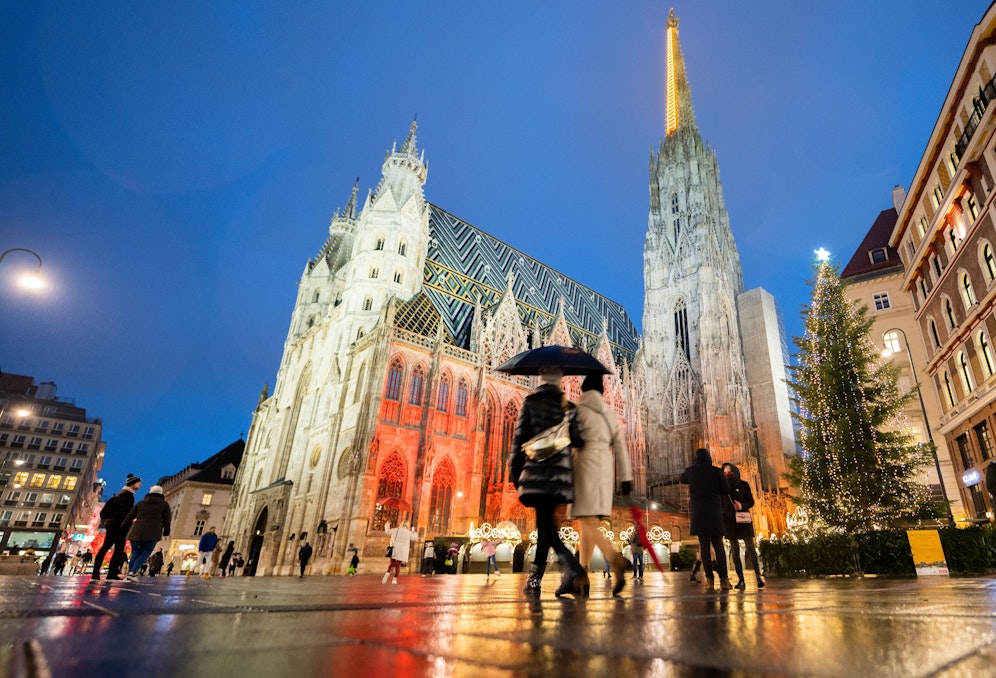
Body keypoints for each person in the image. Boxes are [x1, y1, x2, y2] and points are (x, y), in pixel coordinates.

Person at [509, 365, 584, 598]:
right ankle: (535, 580)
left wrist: (514, 472)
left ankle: (571, 565)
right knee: (545, 524)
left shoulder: (531, 403)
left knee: (545, 524)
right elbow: (580, 441)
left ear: (541, 379)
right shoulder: (569, 408)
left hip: (536, 475)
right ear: (561, 381)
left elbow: (519, 440)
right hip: (560, 477)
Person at [571, 373, 634, 596]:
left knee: (586, 522)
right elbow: (621, 445)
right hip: (605, 472)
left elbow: (569, 441)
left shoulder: (578, 410)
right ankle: (582, 574)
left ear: (584, 390)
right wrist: (626, 478)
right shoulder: (608, 414)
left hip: (585, 468)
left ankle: (614, 558)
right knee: (588, 524)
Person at [681, 448, 732, 592]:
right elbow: (726, 489)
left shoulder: (691, 471)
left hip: (699, 513)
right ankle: (724, 580)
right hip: (714, 513)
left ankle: (709, 580)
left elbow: (682, 478)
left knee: (704, 547)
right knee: (719, 546)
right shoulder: (716, 472)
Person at [91, 473, 142, 581]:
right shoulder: (127, 496)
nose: (140, 485)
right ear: (132, 484)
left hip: (111, 525)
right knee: (118, 550)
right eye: (138, 483)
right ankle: (111, 574)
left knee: (105, 548)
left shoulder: (120, 494)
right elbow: (126, 514)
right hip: (119, 526)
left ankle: (95, 573)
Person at [722, 463, 765, 590]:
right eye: (724, 473)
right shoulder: (723, 487)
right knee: (734, 551)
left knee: (750, 548)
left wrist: (742, 505)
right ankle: (741, 579)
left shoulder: (743, 484)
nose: (727, 475)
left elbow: (751, 501)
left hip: (743, 519)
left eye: (729, 472)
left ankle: (758, 576)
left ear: (734, 472)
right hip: (729, 521)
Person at [122, 484, 172, 581]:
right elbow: (167, 519)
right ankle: (132, 573)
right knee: (146, 552)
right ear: (161, 494)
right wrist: (166, 531)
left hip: (136, 530)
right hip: (152, 531)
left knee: (135, 552)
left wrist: (123, 527)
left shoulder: (140, 503)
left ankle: (130, 572)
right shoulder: (164, 505)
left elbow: (130, 516)